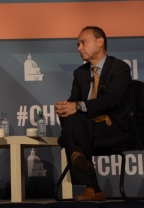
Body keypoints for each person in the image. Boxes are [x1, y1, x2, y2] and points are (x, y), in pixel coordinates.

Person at [55, 26, 134, 201]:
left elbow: (111, 100)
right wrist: (66, 107)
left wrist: (78, 106)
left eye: (83, 43)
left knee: (70, 134)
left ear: (100, 42)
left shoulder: (119, 68)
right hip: (87, 125)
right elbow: (74, 101)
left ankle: (90, 182)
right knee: (70, 116)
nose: (79, 48)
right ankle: (83, 164)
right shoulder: (80, 73)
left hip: (112, 124)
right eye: (77, 44)